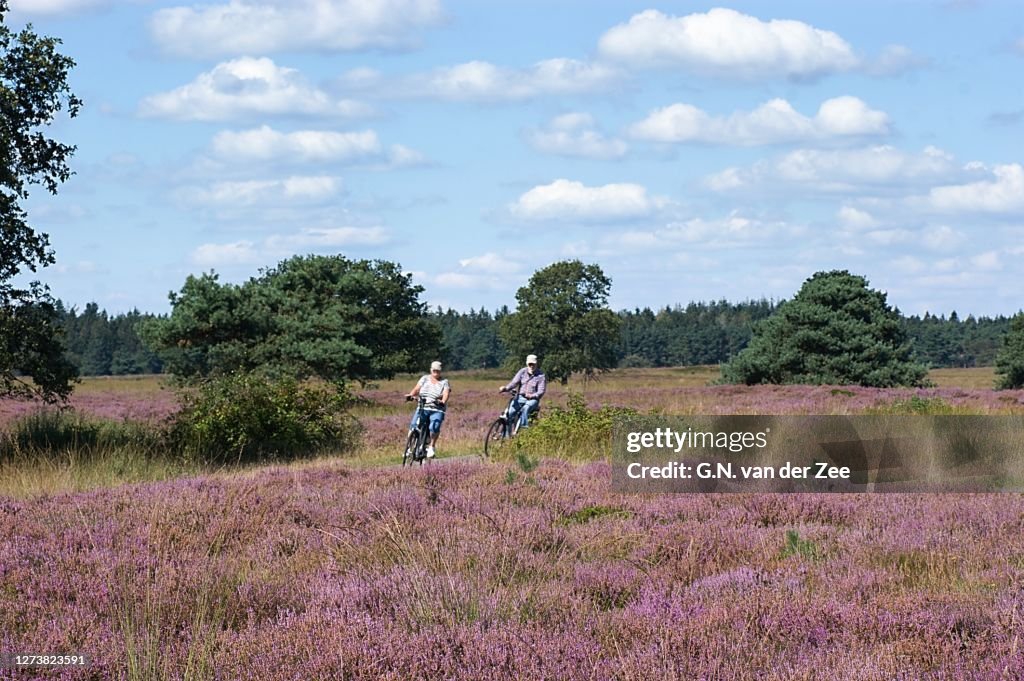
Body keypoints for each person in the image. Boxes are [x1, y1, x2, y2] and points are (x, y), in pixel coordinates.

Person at [406, 360, 450, 458]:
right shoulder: (424, 379)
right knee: (414, 425)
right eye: (434, 370)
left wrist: (442, 401)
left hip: (437, 408)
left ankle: (431, 447)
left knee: (434, 426)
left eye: (438, 371)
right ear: (431, 370)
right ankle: (409, 447)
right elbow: (416, 389)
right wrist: (411, 395)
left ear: (440, 372)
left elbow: (446, 393)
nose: (436, 373)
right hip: (423, 407)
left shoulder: (444, 382)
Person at [499, 354, 546, 429]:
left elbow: (541, 391)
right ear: (527, 364)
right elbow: (514, 383)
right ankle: (507, 436)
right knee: (509, 413)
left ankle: (524, 428)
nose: (531, 366)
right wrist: (506, 388)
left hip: (533, 400)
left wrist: (532, 395)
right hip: (521, 397)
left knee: (525, 408)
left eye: (533, 364)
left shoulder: (541, 376)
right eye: (530, 364)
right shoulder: (522, 371)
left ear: (536, 364)